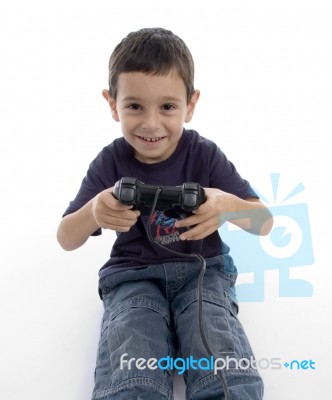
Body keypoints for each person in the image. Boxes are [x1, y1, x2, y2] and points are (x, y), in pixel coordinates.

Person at [57, 27, 273, 400]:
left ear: (191, 104)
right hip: (133, 277)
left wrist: (224, 205)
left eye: (168, 107)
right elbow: (65, 237)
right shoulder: (110, 162)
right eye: (135, 106)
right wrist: (94, 211)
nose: (151, 124)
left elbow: (264, 222)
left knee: (218, 354)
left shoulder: (204, 155)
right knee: (132, 356)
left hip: (202, 272)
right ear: (113, 105)